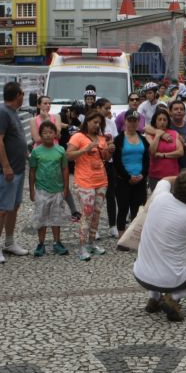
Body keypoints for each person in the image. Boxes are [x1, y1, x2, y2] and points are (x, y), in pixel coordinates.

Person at [133, 171, 186, 322]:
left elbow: (164, 179)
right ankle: (172, 297)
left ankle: (154, 298)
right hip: (169, 279)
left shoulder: (159, 197)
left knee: (158, 255)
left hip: (140, 274)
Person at [0, 82, 30, 264]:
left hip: (18, 169)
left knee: (14, 206)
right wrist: (6, 166)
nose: (24, 97)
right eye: (22, 93)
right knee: (3, 208)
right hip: (7, 170)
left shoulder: (14, 113)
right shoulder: (2, 113)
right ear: (17, 95)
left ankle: (10, 242)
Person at [66, 110, 112, 261]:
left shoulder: (101, 138)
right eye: (94, 122)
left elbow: (106, 158)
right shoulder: (78, 136)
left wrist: (109, 151)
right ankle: (82, 247)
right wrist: (85, 149)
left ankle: (92, 243)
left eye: (99, 123)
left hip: (101, 180)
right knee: (87, 214)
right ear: (87, 122)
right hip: (84, 181)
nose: (97, 125)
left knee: (97, 213)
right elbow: (68, 155)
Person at [28, 121, 70, 257]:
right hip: (41, 190)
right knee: (41, 217)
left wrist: (65, 188)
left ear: (56, 134)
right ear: (40, 135)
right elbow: (32, 171)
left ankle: (57, 242)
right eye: (44, 133)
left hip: (57, 190)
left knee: (56, 217)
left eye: (50, 132)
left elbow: (65, 169)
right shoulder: (36, 151)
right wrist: (32, 190)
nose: (47, 135)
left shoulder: (60, 150)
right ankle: (41, 244)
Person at [112, 110, 150, 242]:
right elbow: (116, 162)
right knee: (123, 208)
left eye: (135, 120)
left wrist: (142, 175)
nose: (132, 123)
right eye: (130, 120)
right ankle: (122, 237)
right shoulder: (119, 140)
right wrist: (128, 177)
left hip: (140, 179)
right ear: (125, 121)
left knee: (138, 209)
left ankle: (134, 237)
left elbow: (146, 160)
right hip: (123, 180)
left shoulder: (143, 140)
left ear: (138, 122)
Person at [96, 98, 119, 238]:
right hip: (96, 163)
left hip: (109, 162)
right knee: (96, 196)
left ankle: (113, 225)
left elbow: (114, 139)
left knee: (111, 194)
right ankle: (95, 227)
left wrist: (111, 146)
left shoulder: (111, 123)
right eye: (106, 108)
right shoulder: (92, 123)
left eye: (110, 108)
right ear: (98, 108)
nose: (109, 111)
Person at [146, 107, 184, 191]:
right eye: (159, 119)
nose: (162, 122)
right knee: (157, 200)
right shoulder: (149, 135)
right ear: (155, 121)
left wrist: (163, 155)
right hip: (155, 175)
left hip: (172, 174)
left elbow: (180, 152)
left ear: (168, 122)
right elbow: (152, 151)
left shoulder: (174, 134)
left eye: (164, 120)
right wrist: (158, 134)